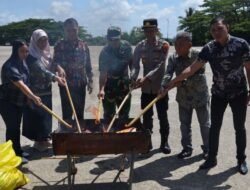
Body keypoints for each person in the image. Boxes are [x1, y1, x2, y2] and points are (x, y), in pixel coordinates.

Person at [165, 16, 250, 175]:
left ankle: (241, 159)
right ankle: (211, 158)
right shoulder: (209, 48)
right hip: (218, 93)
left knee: (239, 127)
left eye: (219, 28)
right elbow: (192, 68)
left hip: (238, 93)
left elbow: (248, 68)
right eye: (213, 30)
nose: (216, 32)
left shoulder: (241, 44)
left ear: (227, 27)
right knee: (214, 127)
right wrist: (173, 82)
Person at [160, 32, 210, 159]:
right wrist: (164, 85)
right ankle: (187, 148)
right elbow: (168, 73)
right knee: (184, 124)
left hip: (200, 96)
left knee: (204, 124)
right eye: (176, 44)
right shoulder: (173, 57)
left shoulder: (199, 55)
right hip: (183, 97)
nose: (177, 47)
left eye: (181, 44)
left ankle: (208, 148)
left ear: (189, 45)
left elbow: (198, 75)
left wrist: (178, 82)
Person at [131, 18, 171, 154]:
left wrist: (146, 78)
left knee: (162, 115)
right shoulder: (140, 46)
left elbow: (161, 66)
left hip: (160, 88)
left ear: (156, 30)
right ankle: (147, 143)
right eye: (146, 30)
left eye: (151, 30)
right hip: (146, 89)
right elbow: (135, 65)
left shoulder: (164, 45)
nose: (149, 33)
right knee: (147, 117)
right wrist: (133, 77)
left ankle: (164, 142)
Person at [22, 29, 65, 152]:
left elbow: (52, 64)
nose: (43, 42)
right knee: (38, 115)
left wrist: (59, 68)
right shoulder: (31, 55)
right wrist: (55, 77)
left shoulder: (46, 53)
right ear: (35, 41)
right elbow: (41, 70)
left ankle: (44, 139)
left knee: (46, 115)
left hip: (47, 89)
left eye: (45, 40)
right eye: (40, 40)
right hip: (35, 92)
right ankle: (38, 141)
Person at [0, 40, 42, 164]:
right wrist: (33, 96)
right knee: (12, 128)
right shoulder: (10, 66)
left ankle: (17, 151)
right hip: (6, 102)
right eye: (22, 51)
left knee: (16, 128)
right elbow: (20, 84)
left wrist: (29, 99)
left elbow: (27, 82)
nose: (25, 54)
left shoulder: (22, 63)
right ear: (15, 51)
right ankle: (12, 156)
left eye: (27, 51)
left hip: (18, 102)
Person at [53, 18, 93, 122]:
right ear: (65, 30)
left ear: (78, 29)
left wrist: (91, 81)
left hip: (80, 84)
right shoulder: (59, 45)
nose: (71, 33)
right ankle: (68, 135)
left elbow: (88, 65)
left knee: (79, 115)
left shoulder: (84, 45)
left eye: (74, 30)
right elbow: (54, 62)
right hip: (66, 85)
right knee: (67, 115)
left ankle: (78, 137)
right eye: (68, 30)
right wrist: (59, 68)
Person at [98, 26, 133, 127]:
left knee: (124, 116)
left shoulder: (127, 47)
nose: (114, 42)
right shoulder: (104, 52)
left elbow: (132, 65)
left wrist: (133, 78)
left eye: (116, 39)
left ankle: (122, 139)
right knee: (109, 116)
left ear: (120, 37)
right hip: (109, 87)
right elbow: (103, 73)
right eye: (111, 40)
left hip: (124, 86)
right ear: (108, 39)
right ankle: (109, 138)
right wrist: (101, 89)